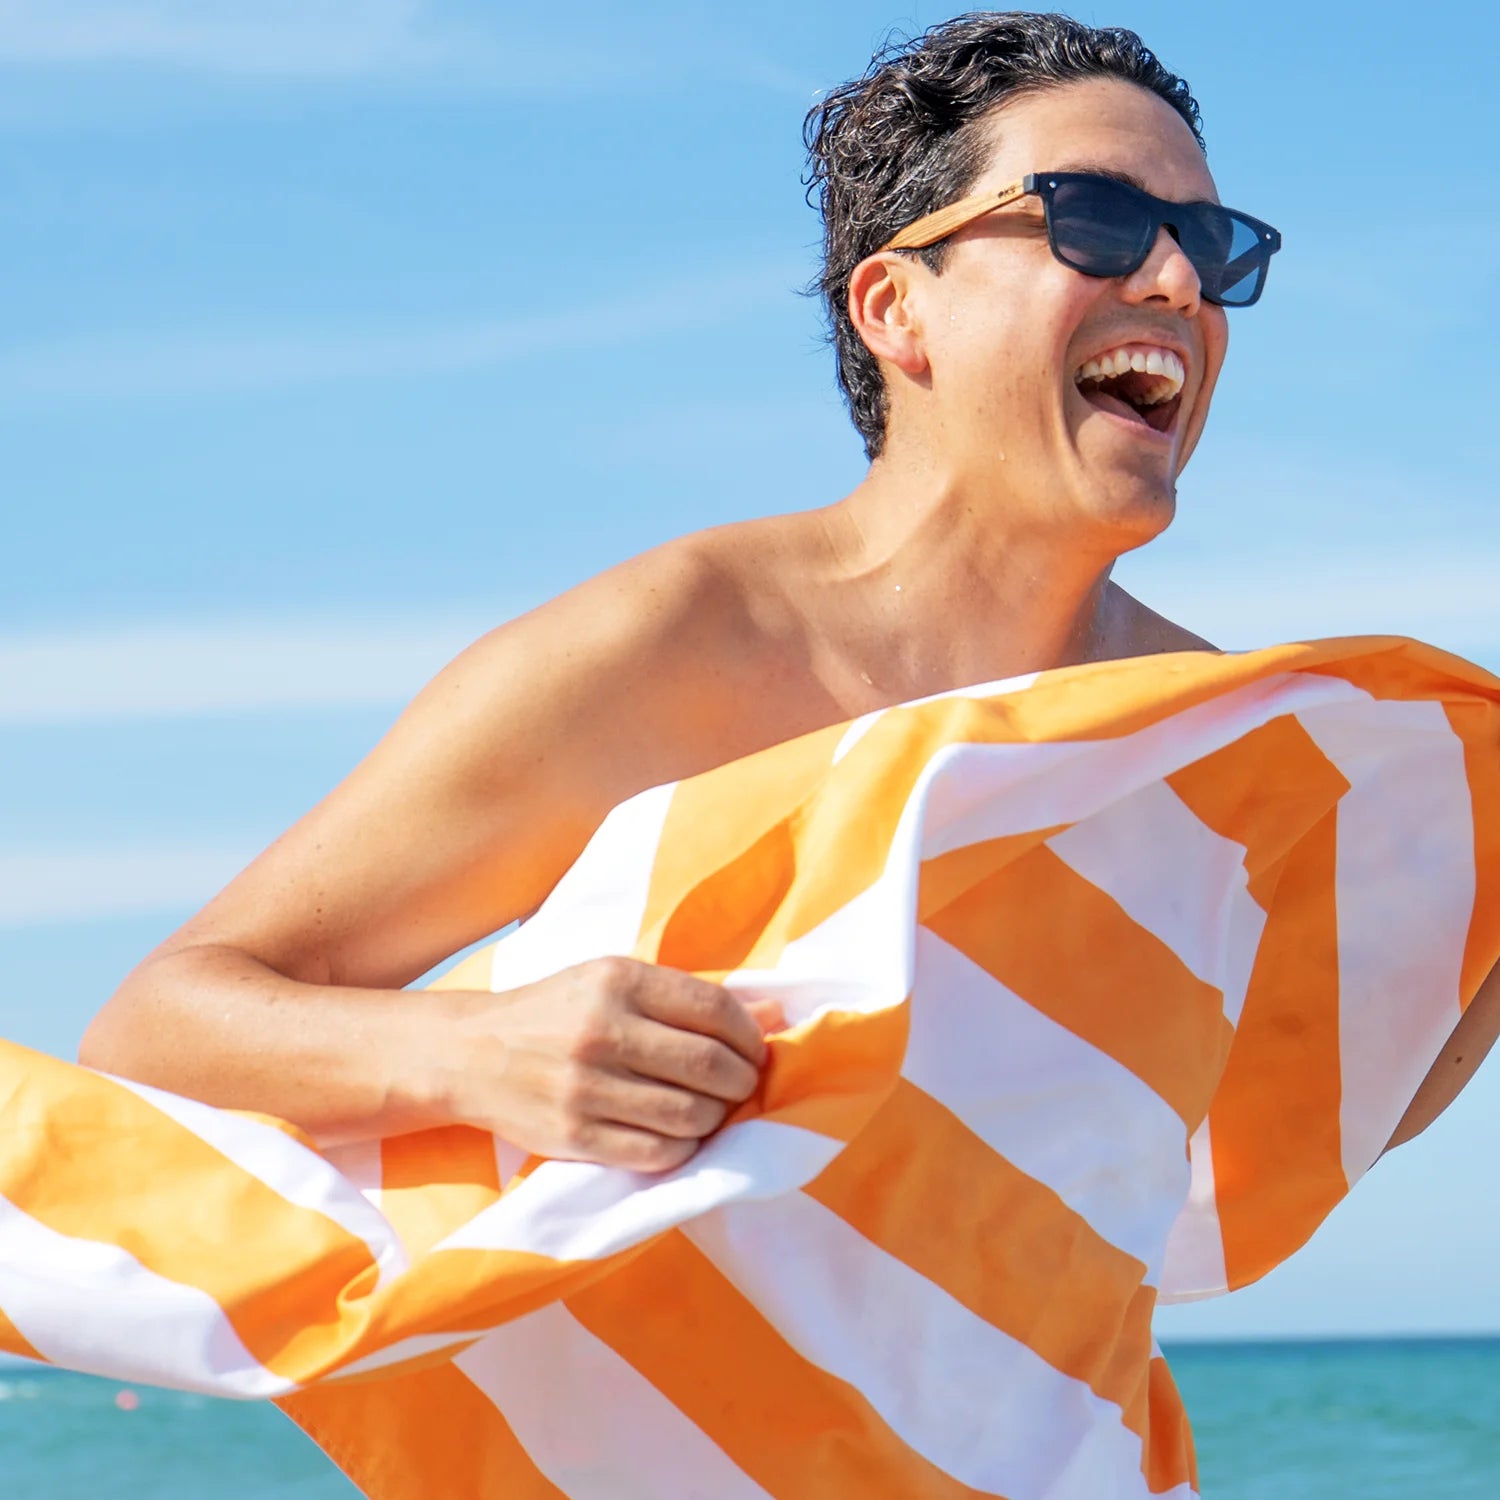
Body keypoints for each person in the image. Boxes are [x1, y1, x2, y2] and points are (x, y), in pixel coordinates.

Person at [80, 11, 1497, 1173]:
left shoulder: (1210, 735)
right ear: (898, 308)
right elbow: (155, 1028)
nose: (1183, 279)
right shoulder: (679, 644)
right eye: (1102, 222)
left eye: (1218, 243)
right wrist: (471, 1052)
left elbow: (1310, 1108)